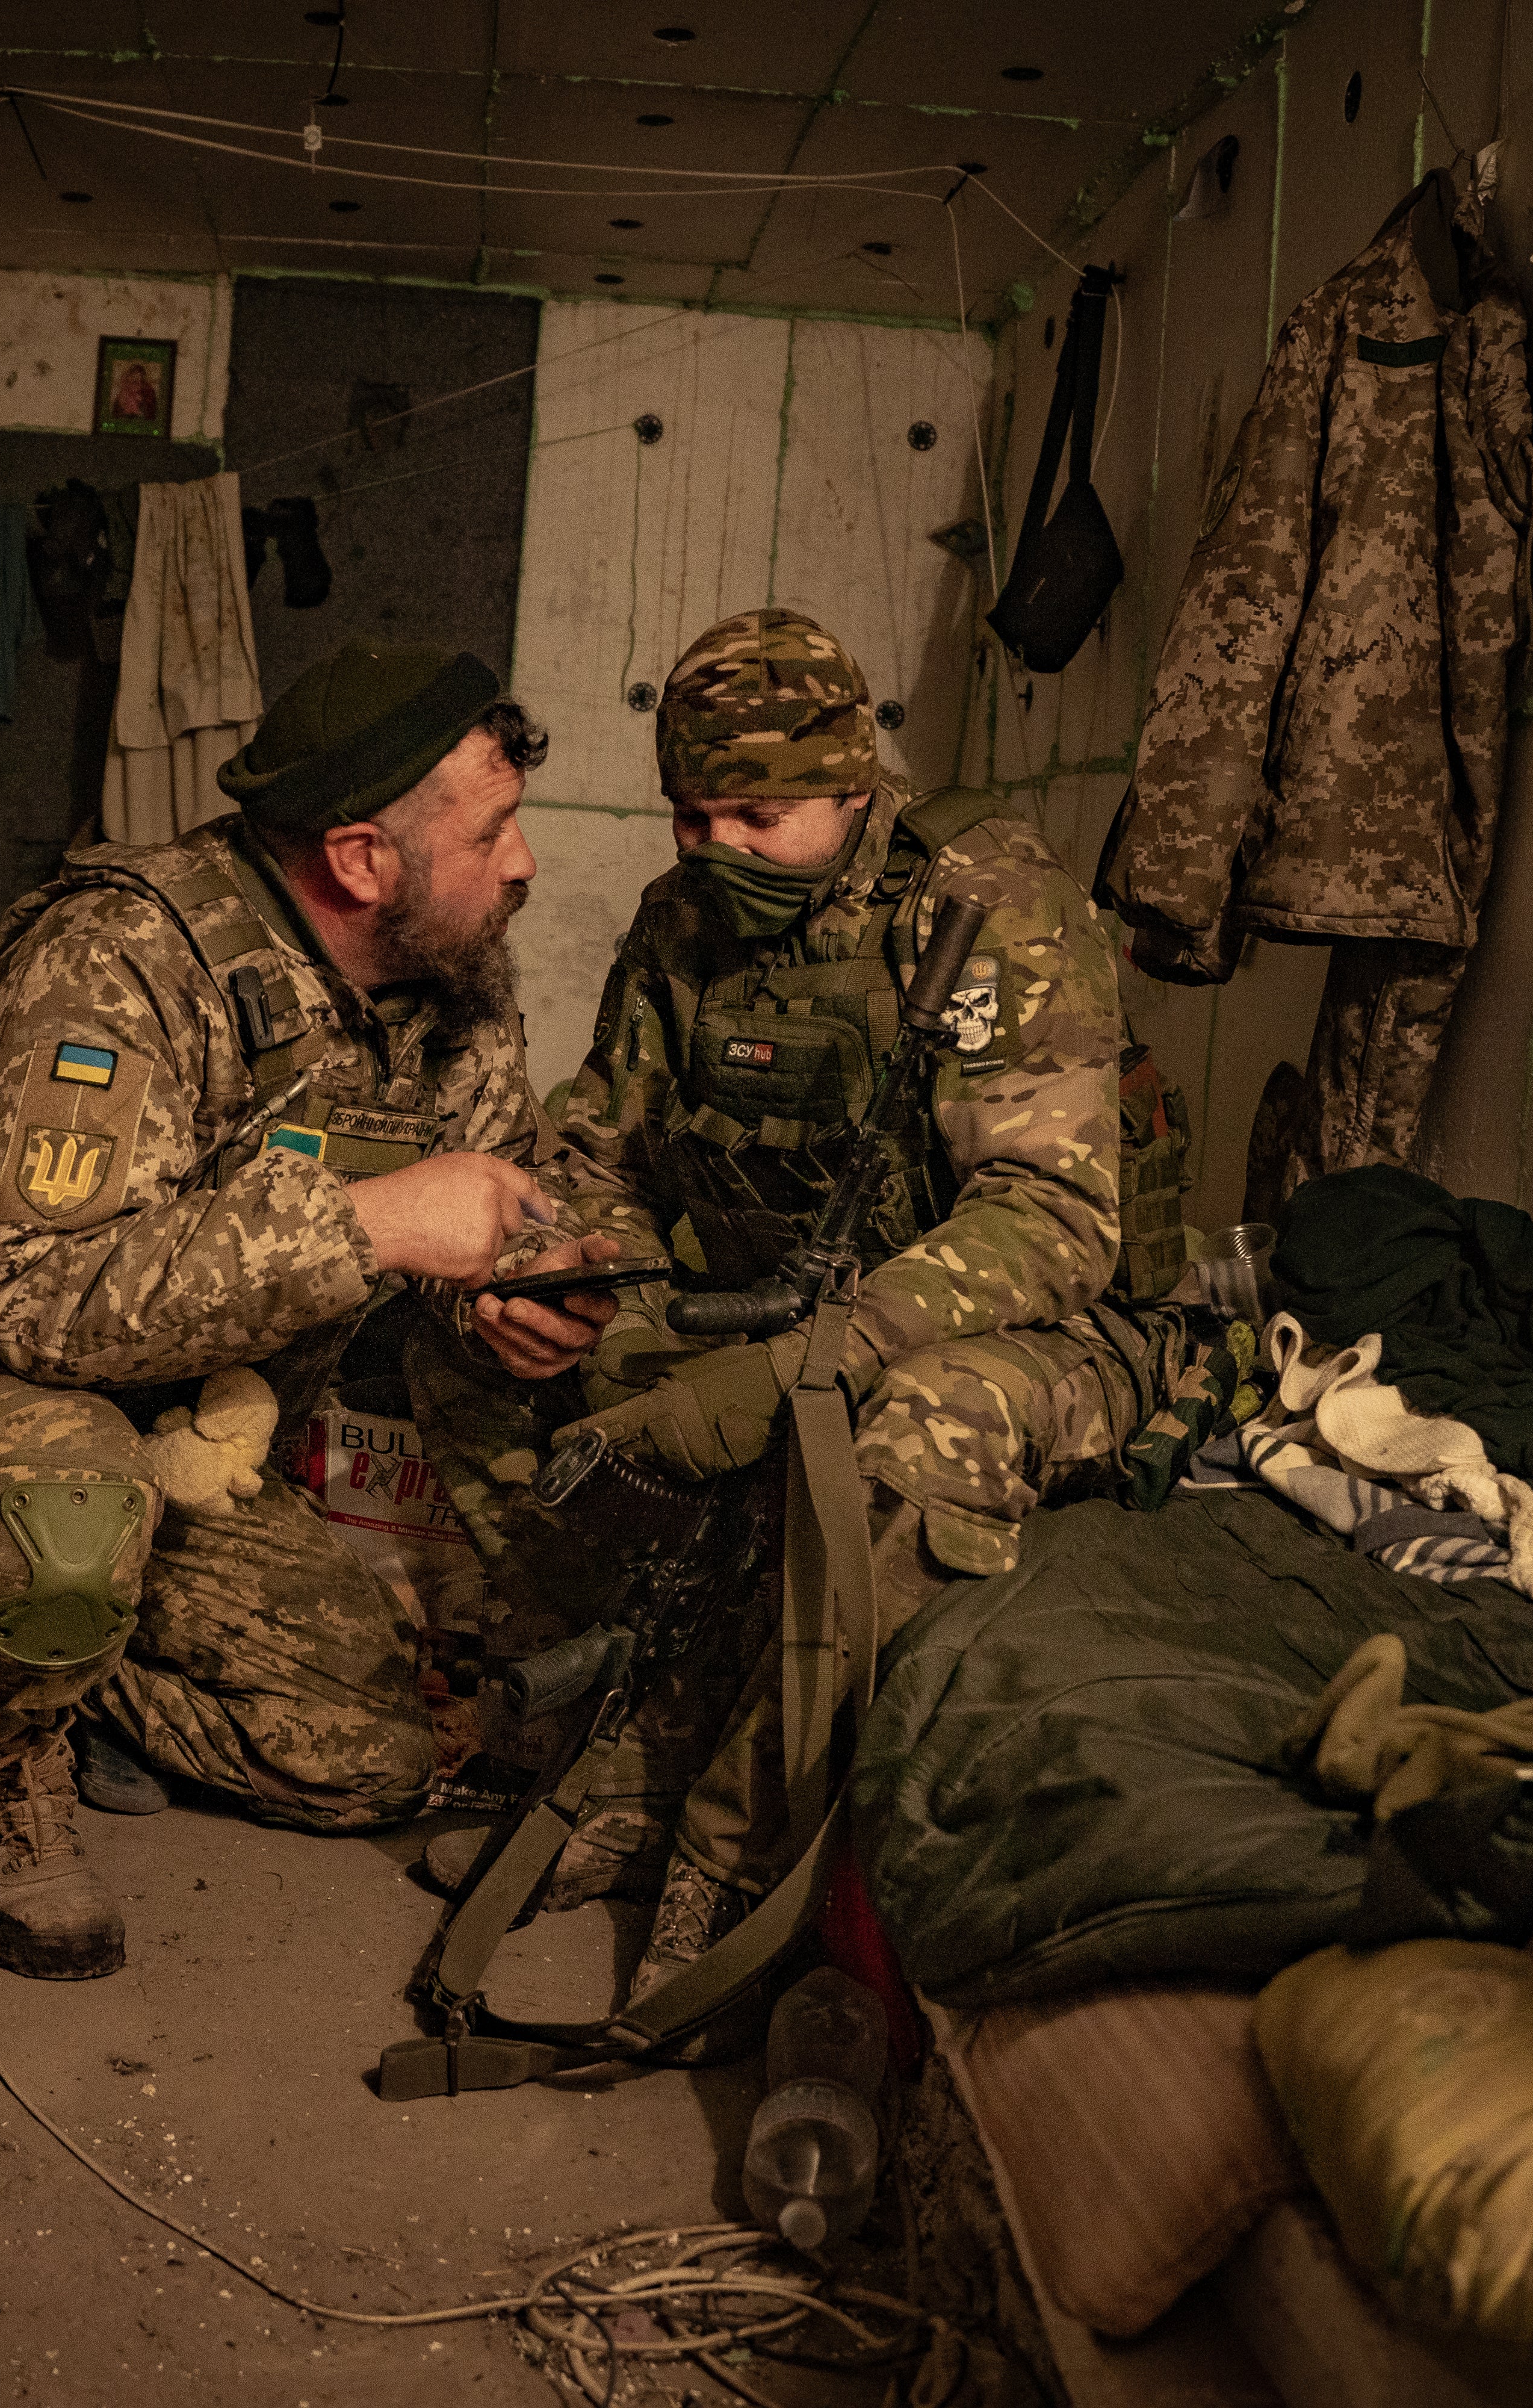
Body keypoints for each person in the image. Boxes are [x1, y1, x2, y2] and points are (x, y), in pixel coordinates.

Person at [413, 606, 1212, 2003]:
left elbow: (1055, 1218)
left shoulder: (986, 905)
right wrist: (563, 1273)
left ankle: (732, 1838)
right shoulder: (683, 923)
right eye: (689, 815)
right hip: (763, 1303)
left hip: (1010, 1321)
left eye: (758, 813)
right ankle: (615, 1749)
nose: (715, 846)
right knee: (481, 1340)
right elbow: (602, 1148)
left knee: (902, 1432)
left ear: (855, 786)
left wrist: (813, 1361)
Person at [0, 642, 623, 1980]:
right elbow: (35, 1295)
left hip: (189, 1431)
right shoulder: (117, 960)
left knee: (369, 1757)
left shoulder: (449, 981)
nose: (522, 861)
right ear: (360, 858)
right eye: (493, 828)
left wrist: (508, 1300)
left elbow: (472, 1204)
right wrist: (374, 1221)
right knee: (61, 1513)